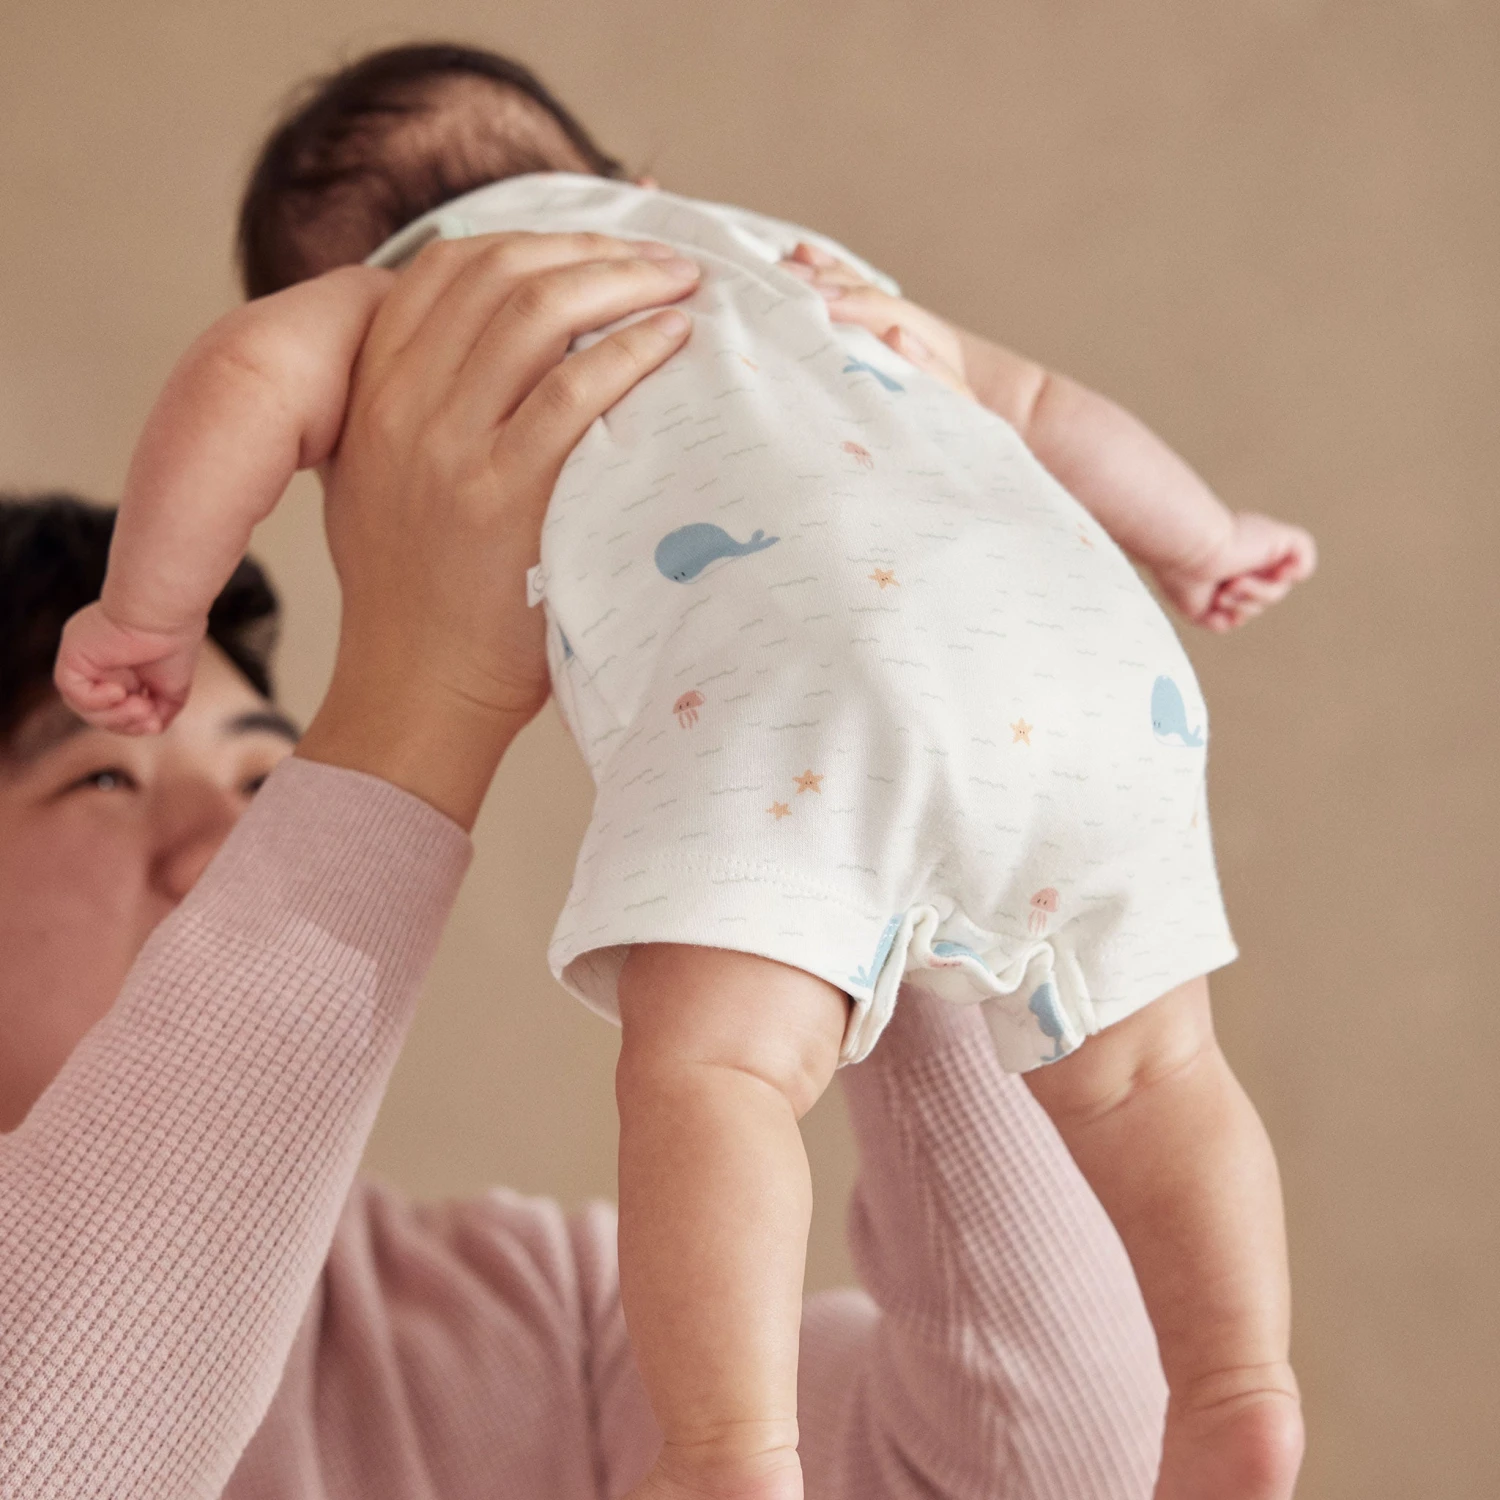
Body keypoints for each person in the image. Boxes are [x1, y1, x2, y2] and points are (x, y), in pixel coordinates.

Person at [52, 45, 1310, 1500]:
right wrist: (1204, 541)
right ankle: (1238, 1382)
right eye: (102, 781)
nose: (222, 833)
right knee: (1160, 1066)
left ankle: (723, 1453)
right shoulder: (774, 259)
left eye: (260, 774)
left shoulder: (406, 300)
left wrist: (143, 615)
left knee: (718, 1073)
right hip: (1087, 646)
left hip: (806, 680)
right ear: (627, 182)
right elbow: (1031, 405)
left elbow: (241, 371)